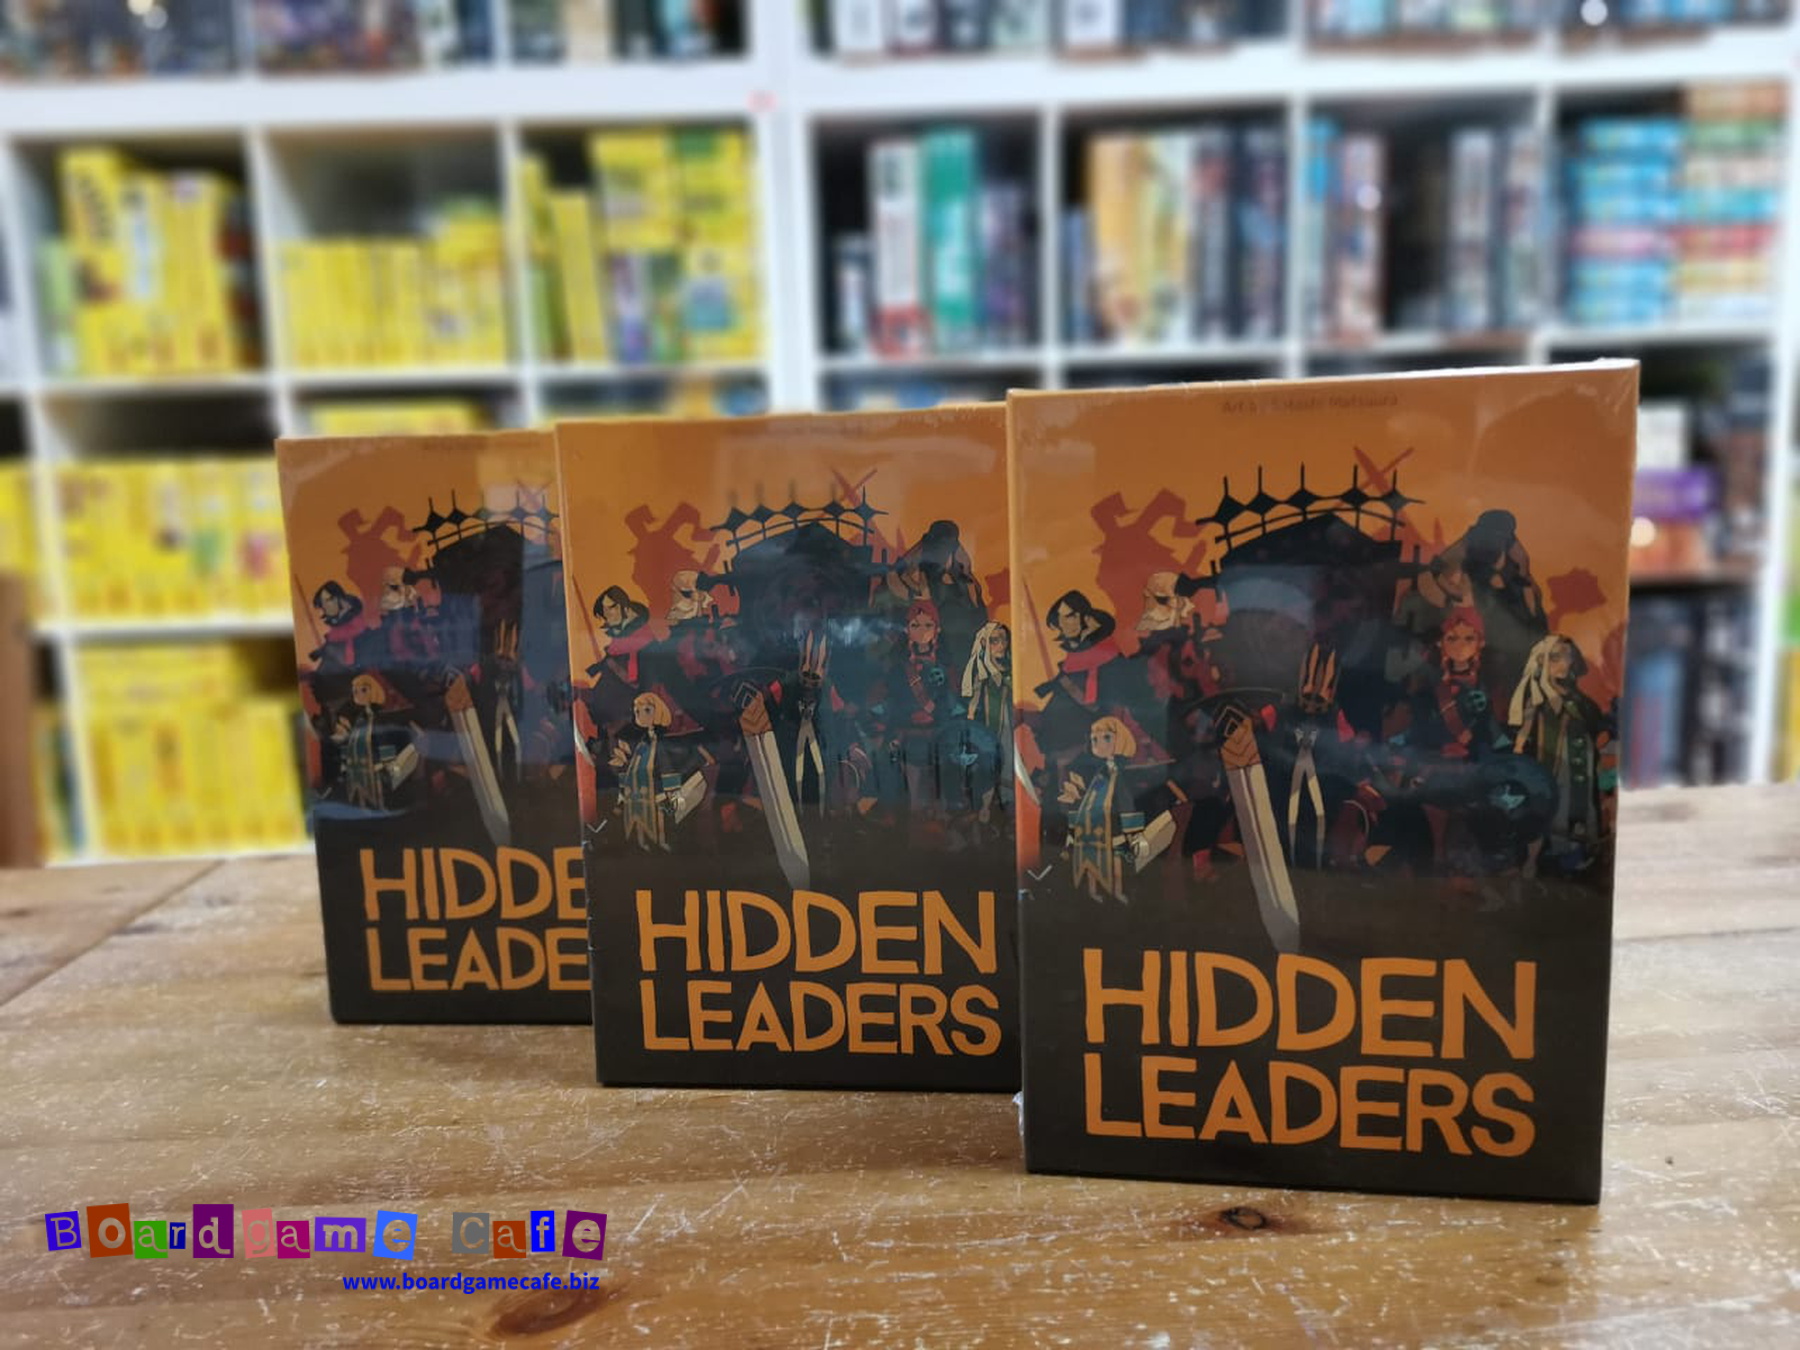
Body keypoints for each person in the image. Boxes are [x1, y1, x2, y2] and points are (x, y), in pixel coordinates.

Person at [1509, 634, 1612, 874]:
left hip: (1583, 764)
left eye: (1568, 657)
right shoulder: (1536, 699)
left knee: (1583, 808)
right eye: (1556, 658)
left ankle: (1577, 857)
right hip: (1552, 765)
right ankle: (1553, 859)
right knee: (1556, 809)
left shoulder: (1579, 699)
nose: (1564, 663)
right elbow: (1523, 734)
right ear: (1542, 661)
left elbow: (1598, 727)